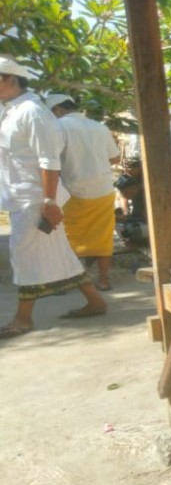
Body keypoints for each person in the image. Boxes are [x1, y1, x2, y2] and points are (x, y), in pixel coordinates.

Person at [0, 57, 107, 339]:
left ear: (11, 79)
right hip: (24, 197)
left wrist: (49, 202)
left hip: (35, 199)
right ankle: (95, 301)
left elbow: (49, 160)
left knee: (23, 255)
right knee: (61, 254)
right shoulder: (12, 111)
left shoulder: (32, 112)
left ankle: (23, 318)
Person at [46, 93, 120, 291]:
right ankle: (103, 280)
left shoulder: (58, 127)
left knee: (68, 238)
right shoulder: (99, 127)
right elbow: (115, 158)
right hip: (103, 190)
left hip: (73, 191)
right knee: (103, 238)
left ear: (58, 110)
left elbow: (51, 162)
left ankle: (69, 282)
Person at [113, 173, 148, 246]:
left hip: (145, 224)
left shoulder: (145, 195)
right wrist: (122, 216)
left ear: (133, 188)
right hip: (136, 222)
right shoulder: (129, 197)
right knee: (118, 225)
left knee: (136, 230)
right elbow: (126, 213)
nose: (124, 195)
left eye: (125, 192)